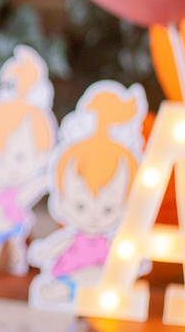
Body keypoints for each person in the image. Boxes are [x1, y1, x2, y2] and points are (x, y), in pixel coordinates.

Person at [27, 83, 144, 311]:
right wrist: (44, 251)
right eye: (80, 206)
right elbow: (57, 245)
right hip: (67, 276)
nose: (93, 217)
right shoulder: (72, 238)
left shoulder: (109, 244)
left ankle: (78, 292)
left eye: (108, 209)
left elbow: (125, 259)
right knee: (80, 282)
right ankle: (68, 290)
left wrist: (135, 263)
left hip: (101, 285)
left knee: (99, 277)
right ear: (61, 199)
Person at [0, 45, 56, 274]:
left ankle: (17, 266)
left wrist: (46, 179)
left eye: (19, 158)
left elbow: (33, 189)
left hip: (14, 227)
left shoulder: (21, 190)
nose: (7, 167)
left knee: (18, 254)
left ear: (41, 155)